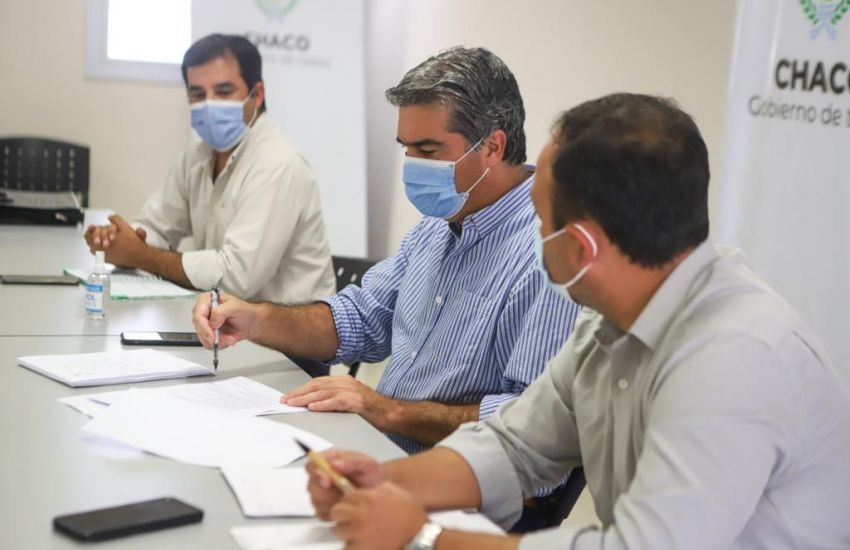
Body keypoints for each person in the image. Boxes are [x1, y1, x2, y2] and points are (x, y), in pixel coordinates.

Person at [303, 93, 850, 550]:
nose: (533, 235)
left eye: (540, 221)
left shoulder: (735, 361)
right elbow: (515, 446)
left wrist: (423, 536)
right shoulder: (612, 319)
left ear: (583, 247)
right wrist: (380, 481)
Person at [193, 47, 580, 458]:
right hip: (381, 450)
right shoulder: (438, 225)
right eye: (406, 149)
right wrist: (256, 319)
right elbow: (358, 320)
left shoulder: (547, 256)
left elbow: (531, 424)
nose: (412, 165)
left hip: (459, 476)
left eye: (427, 151)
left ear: (493, 147)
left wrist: (386, 410)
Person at [84, 34, 335, 303]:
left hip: (288, 327)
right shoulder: (196, 158)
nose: (209, 104)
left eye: (224, 92)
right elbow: (156, 225)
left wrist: (142, 256)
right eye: (198, 94)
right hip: (225, 318)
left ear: (257, 95)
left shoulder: (278, 164)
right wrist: (121, 239)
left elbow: (237, 277)